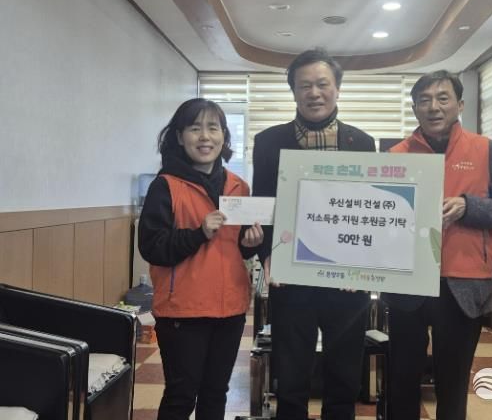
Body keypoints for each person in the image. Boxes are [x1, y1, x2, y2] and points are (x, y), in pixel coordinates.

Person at [383, 71, 492, 420]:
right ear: (414, 108)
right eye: (424, 100)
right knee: (401, 377)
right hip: (407, 280)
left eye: (443, 98)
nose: (434, 107)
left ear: (460, 105)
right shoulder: (396, 154)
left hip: (464, 282)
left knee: (453, 381)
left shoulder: (487, 150)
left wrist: (467, 206)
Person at [252, 48, 376, 420]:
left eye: (322, 84)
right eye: (304, 85)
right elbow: (263, 204)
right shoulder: (268, 141)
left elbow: (368, 209)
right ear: (293, 91)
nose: (314, 93)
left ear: (337, 88)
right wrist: (268, 255)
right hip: (292, 276)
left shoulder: (362, 142)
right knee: (290, 375)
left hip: (346, 279)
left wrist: (363, 265)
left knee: (344, 375)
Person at [138, 98, 264, 420]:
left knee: (215, 393)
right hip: (183, 310)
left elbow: (238, 247)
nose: (205, 136)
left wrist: (250, 244)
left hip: (230, 308)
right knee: (181, 396)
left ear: (224, 136)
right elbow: (152, 247)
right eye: (195, 128)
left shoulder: (239, 186)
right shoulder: (165, 186)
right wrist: (198, 233)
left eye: (213, 128)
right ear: (180, 137)